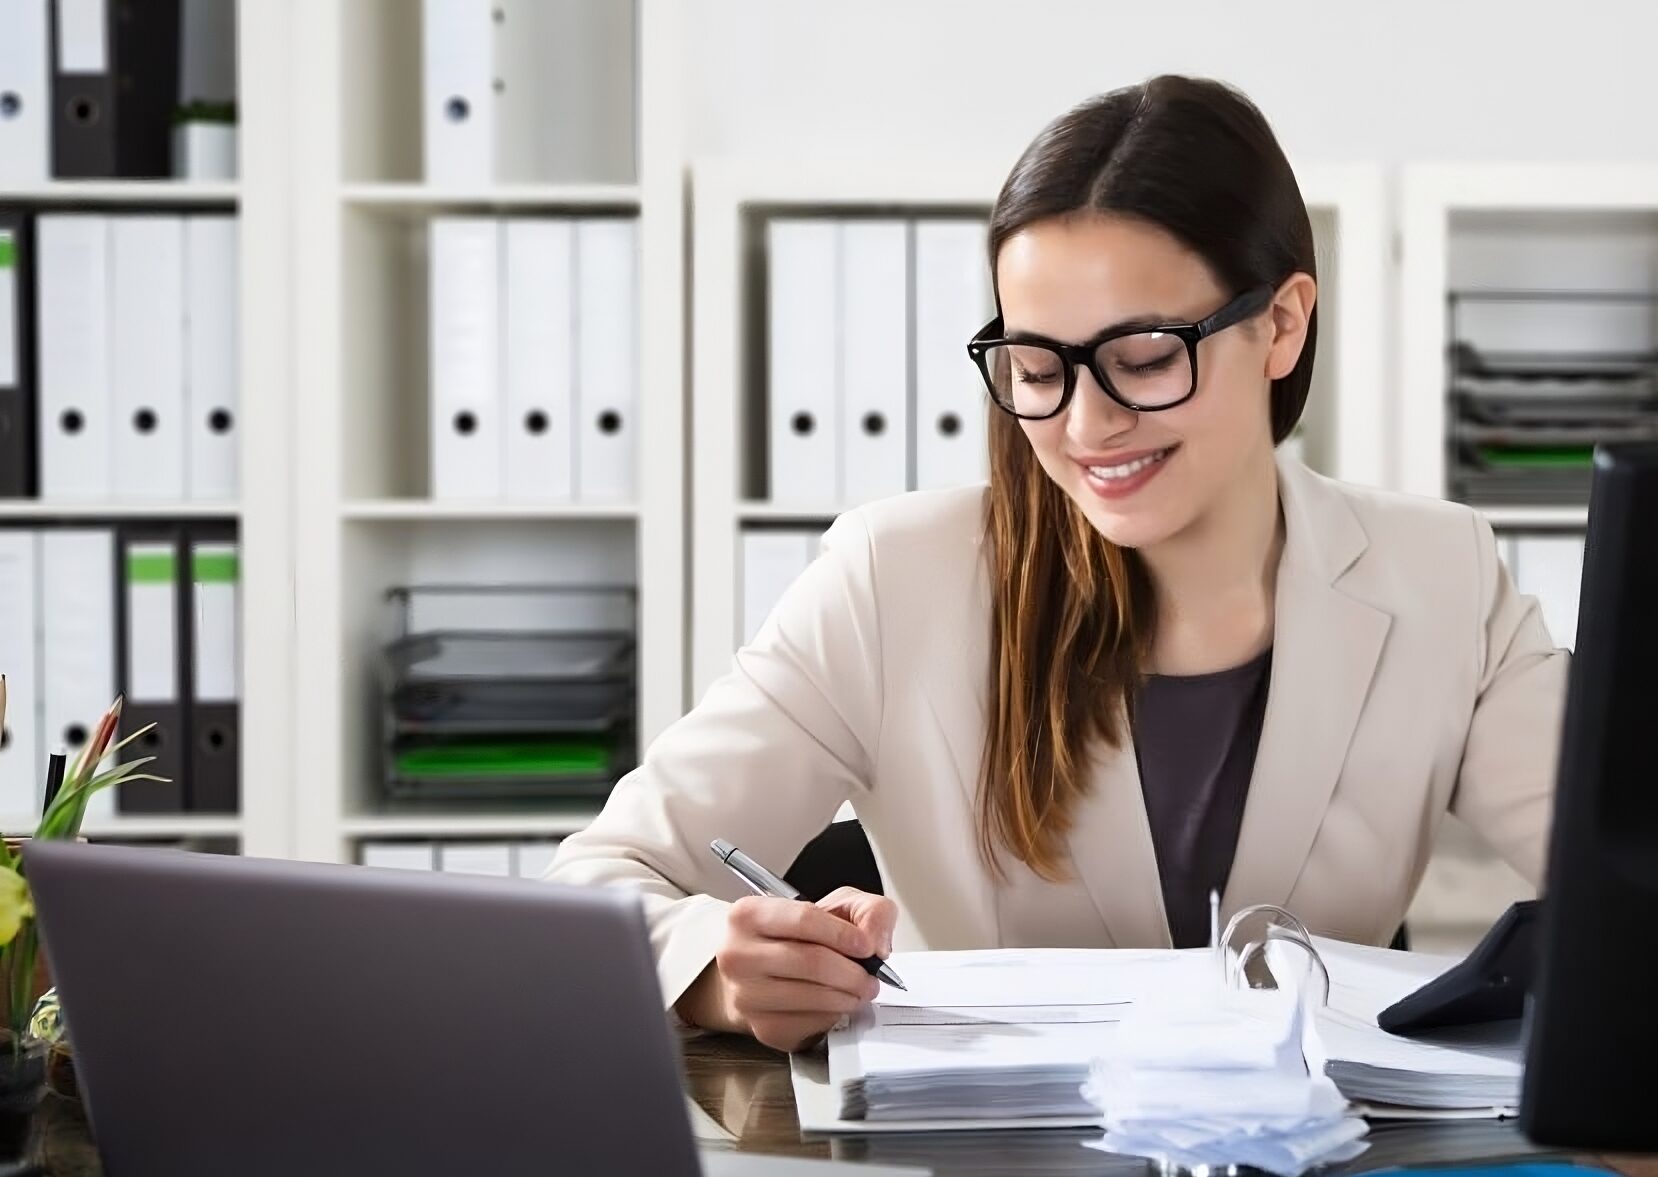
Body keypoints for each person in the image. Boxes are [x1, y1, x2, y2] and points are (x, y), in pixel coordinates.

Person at [548, 74, 1569, 1054]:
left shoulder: (1440, 575)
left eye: (1144, 357)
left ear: (1281, 324)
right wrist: (718, 973)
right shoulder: (890, 581)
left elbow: (1623, 879)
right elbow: (598, 878)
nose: (1085, 423)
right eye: (1036, 368)